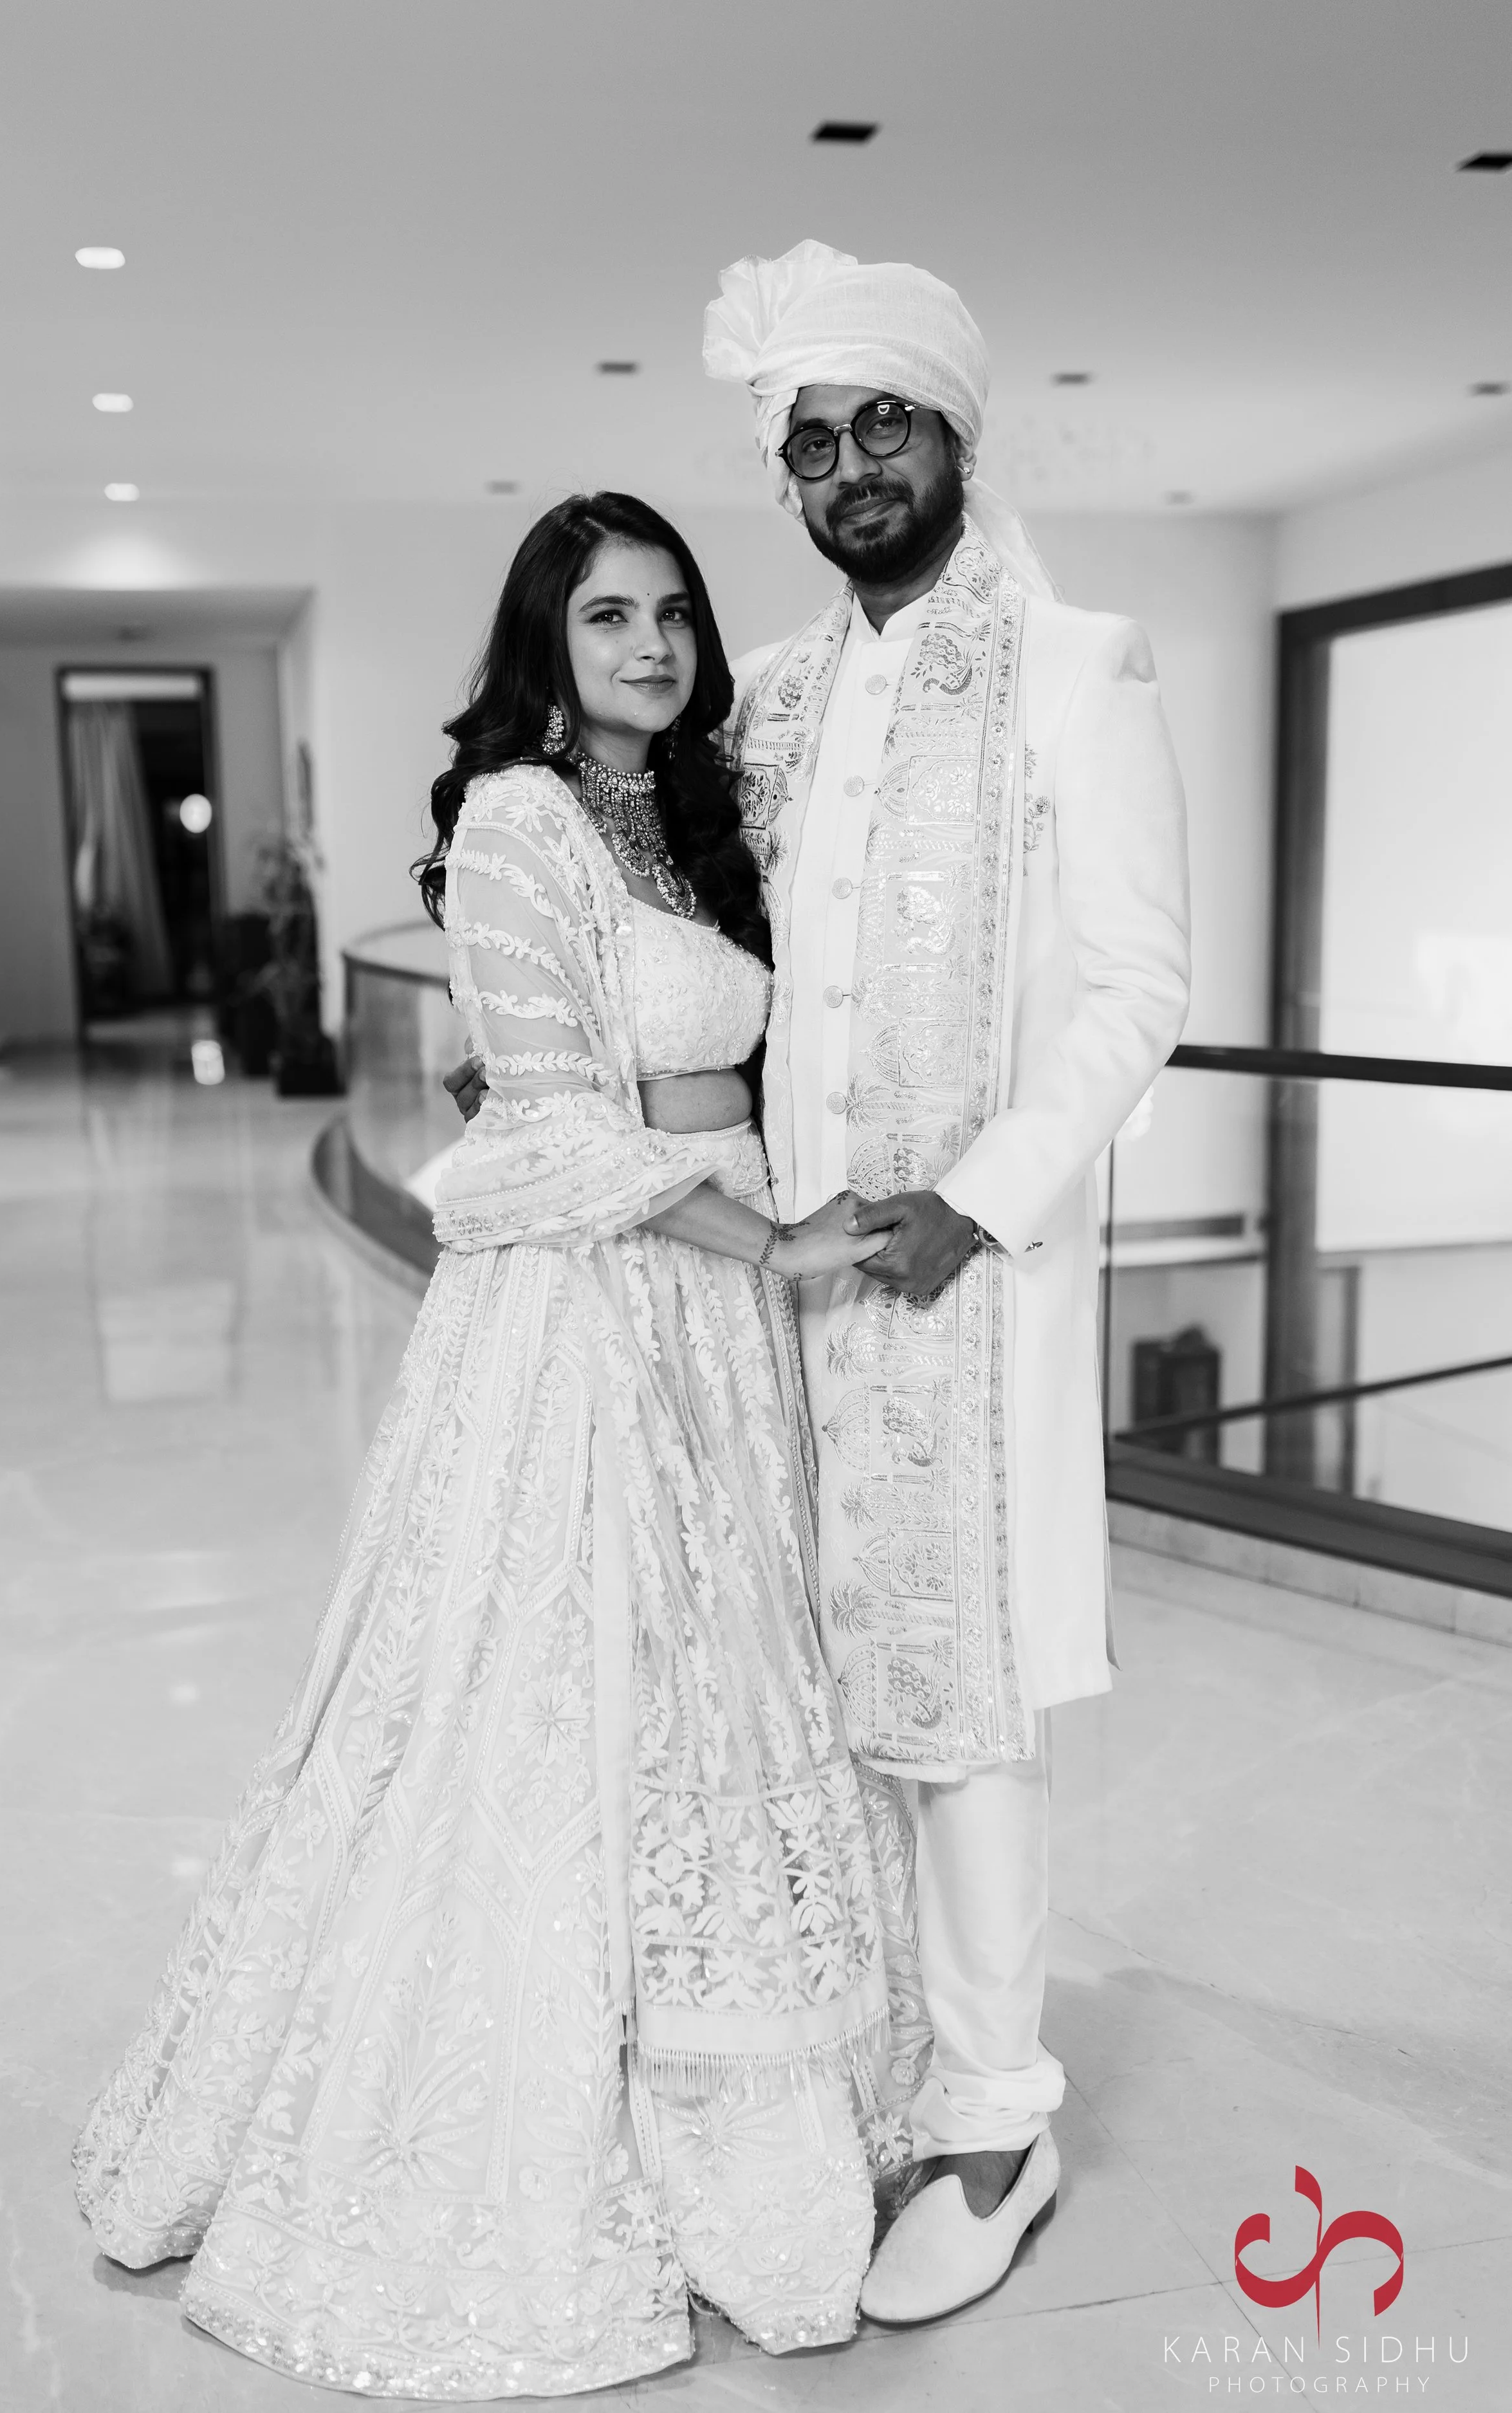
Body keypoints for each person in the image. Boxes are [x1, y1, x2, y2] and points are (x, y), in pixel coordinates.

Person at [73, 491, 934, 2398]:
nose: (651, 644)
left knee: (724, 1684)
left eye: (675, 614)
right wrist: (774, 1238)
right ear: (545, 638)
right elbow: (543, 1122)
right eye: (610, 613)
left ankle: (758, 2093)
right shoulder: (521, 818)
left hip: (723, 1298)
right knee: (568, 1687)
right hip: (605, 1299)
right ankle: (565, 2111)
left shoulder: (688, 818)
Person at [699, 240, 1193, 2325]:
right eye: (808, 445)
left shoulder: (1076, 664)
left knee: (960, 1690)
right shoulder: (777, 702)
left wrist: (973, 1201)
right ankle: (886, 2038)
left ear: (952, 431)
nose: (844, 468)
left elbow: (1139, 986)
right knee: (826, 1682)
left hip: (958, 1277)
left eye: (876, 423)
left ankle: (999, 2107)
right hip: (790, 1282)